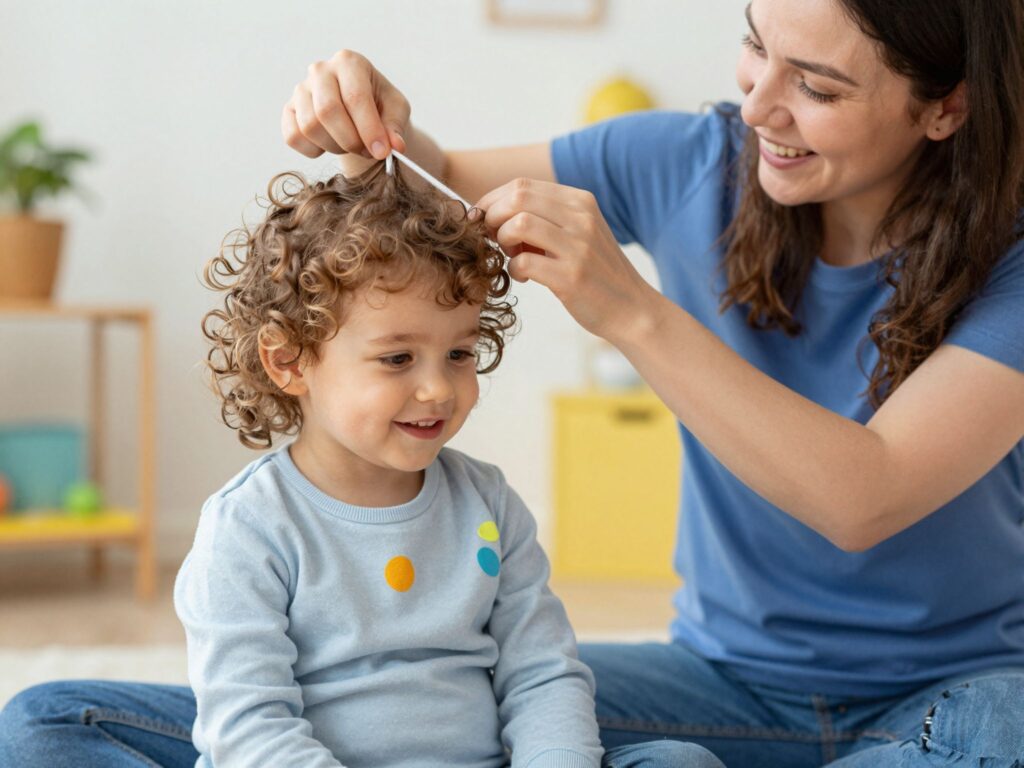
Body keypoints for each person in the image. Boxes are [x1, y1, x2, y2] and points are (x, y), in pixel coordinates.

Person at [1, 0, 1022, 765]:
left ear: (945, 106)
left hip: (953, 698)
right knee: (52, 723)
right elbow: (432, 189)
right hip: (719, 684)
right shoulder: (688, 160)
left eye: (817, 85)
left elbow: (865, 494)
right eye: (755, 44)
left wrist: (628, 308)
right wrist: (374, 122)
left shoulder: (1012, 259)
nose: (758, 105)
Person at [0, 166, 704, 768]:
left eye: (458, 353)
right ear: (289, 360)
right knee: (41, 724)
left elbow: (543, 675)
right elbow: (250, 728)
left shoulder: (488, 503)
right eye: (397, 358)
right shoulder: (248, 527)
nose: (437, 388)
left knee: (680, 760)